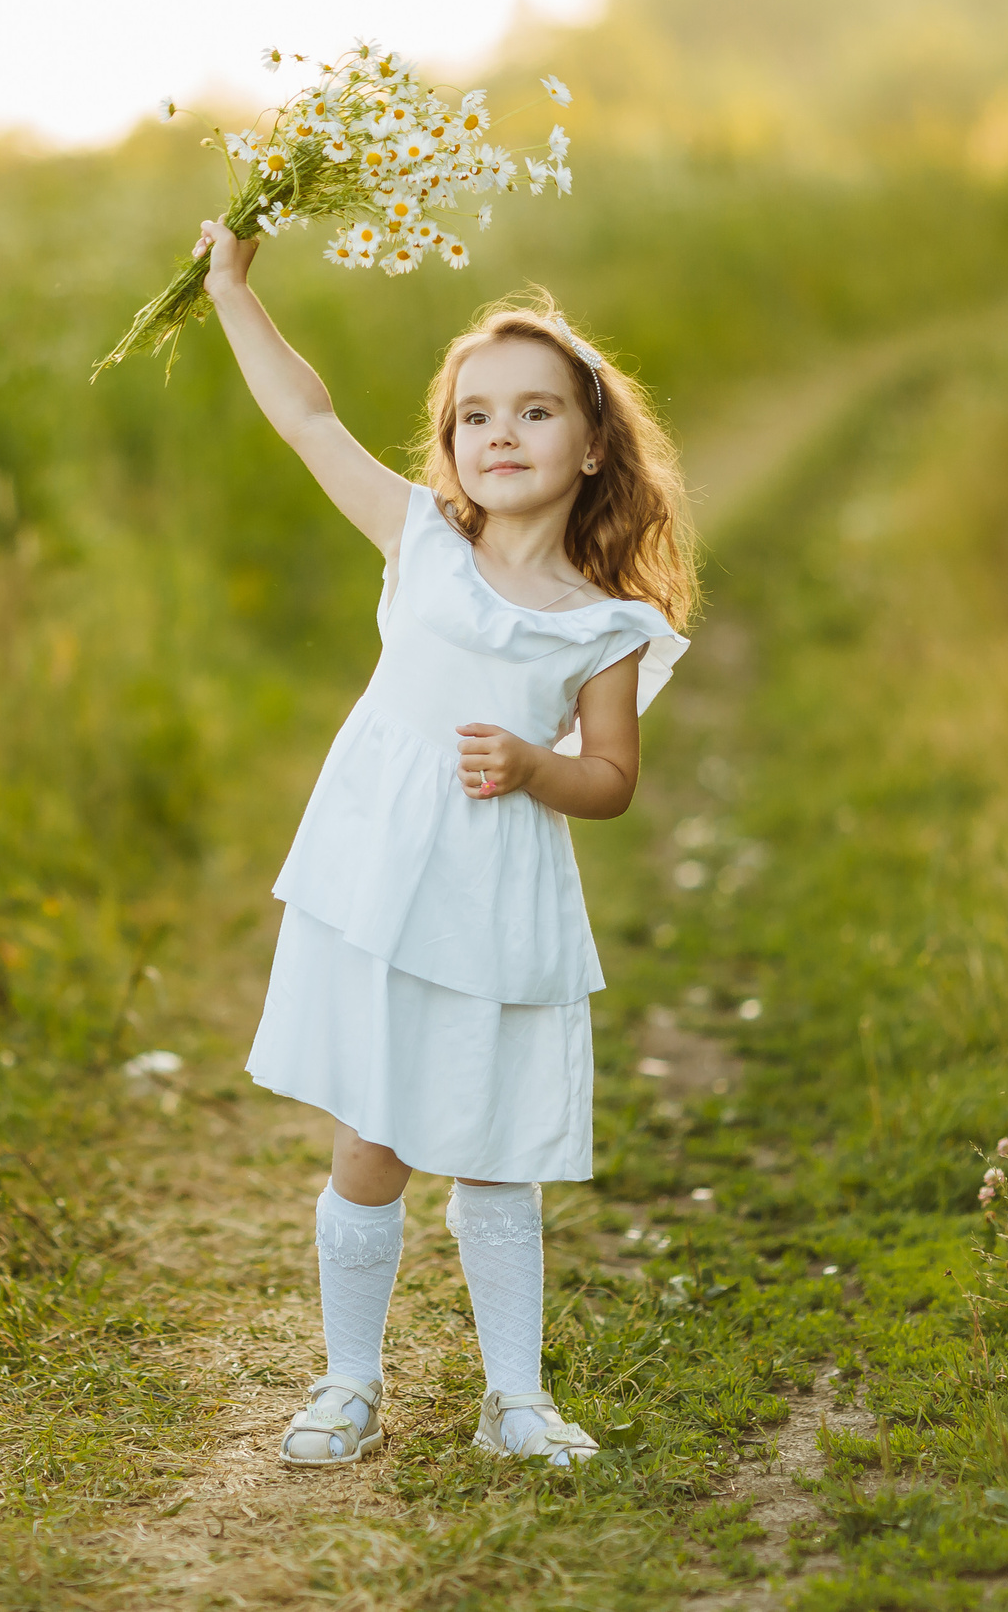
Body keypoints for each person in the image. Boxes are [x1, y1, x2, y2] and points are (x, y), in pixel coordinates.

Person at [193, 217, 699, 1468]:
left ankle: (513, 1398)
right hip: (383, 878)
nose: (501, 434)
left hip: (497, 897)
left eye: (534, 412)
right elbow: (307, 418)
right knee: (373, 1135)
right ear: (452, 442)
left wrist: (534, 767)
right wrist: (231, 289)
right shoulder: (421, 538)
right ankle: (347, 1382)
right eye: (477, 415)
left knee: (494, 1145)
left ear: (592, 445)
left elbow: (610, 781)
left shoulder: (603, 626)